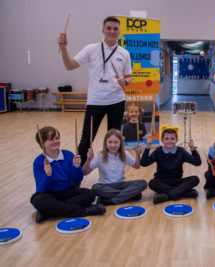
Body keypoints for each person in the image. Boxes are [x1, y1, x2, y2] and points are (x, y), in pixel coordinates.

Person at [57, 16, 132, 165]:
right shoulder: (91, 49)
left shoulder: (124, 53)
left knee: (114, 140)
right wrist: (64, 48)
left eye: (115, 29)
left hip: (117, 101)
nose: (112, 31)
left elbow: (129, 77)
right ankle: (76, 175)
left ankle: (113, 171)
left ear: (119, 31)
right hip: (95, 102)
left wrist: (126, 82)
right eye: (109, 28)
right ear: (103, 30)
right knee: (86, 140)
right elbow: (70, 66)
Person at [31, 126, 106, 223]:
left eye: (57, 138)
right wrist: (47, 175)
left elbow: (77, 180)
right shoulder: (38, 162)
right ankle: (84, 211)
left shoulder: (68, 155)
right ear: (42, 143)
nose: (55, 141)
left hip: (67, 190)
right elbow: (42, 189)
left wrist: (76, 167)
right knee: (37, 200)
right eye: (50, 139)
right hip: (50, 193)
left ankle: (48, 212)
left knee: (91, 194)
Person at [82, 129, 147, 205]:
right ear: (105, 143)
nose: (113, 145)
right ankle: (129, 195)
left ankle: (111, 200)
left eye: (116, 142)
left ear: (120, 143)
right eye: (110, 142)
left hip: (121, 185)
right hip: (104, 186)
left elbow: (137, 166)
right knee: (95, 188)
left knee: (143, 183)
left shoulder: (124, 154)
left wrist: (137, 155)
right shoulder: (100, 155)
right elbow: (85, 173)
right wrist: (88, 160)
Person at [141, 125, 201, 204]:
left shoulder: (181, 151)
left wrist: (193, 149)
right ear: (162, 140)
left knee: (195, 179)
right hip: (161, 181)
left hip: (177, 180)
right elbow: (144, 163)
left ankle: (167, 195)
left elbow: (197, 162)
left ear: (176, 140)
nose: (169, 141)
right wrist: (148, 147)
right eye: (166, 139)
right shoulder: (158, 150)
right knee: (152, 183)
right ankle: (183, 192)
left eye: (172, 139)